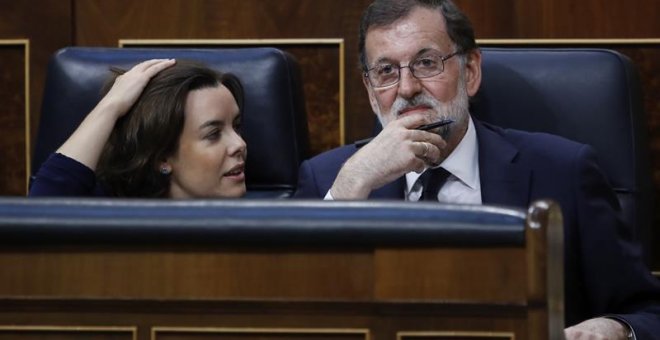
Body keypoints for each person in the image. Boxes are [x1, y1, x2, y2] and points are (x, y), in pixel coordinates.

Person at [294, 0, 660, 338]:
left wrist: (615, 328)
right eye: (386, 70)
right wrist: (351, 185)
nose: (406, 88)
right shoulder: (327, 181)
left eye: (426, 63)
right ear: (372, 92)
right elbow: (291, 316)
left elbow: (648, 312)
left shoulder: (563, 171)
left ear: (470, 71)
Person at [30, 59, 247, 198]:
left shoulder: (261, 226)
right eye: (213, 134)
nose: (240, 144)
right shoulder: (113, 217)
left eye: (236, 127)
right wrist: (111, 106)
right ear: (162, 158)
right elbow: (41, 214)